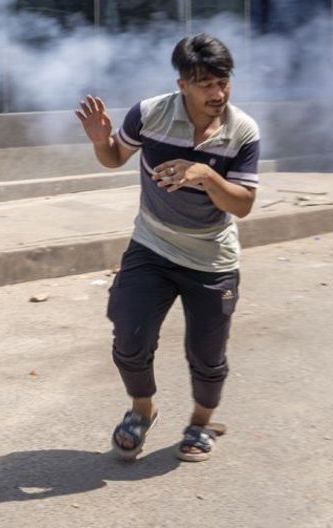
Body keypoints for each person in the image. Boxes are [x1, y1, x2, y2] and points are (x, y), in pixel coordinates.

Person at [75, 33, 260, 462]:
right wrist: (100, 140)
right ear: (182, 84)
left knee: (207, 355)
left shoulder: (242, 131)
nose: (218, 93)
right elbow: (114, 158)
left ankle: (199, 424)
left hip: (212, 258)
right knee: (129, 337)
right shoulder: (149, 114)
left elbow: (244, 205)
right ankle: (142, 410)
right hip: (152, 245)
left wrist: (206, 176)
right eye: (205, 84)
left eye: (224, 81)